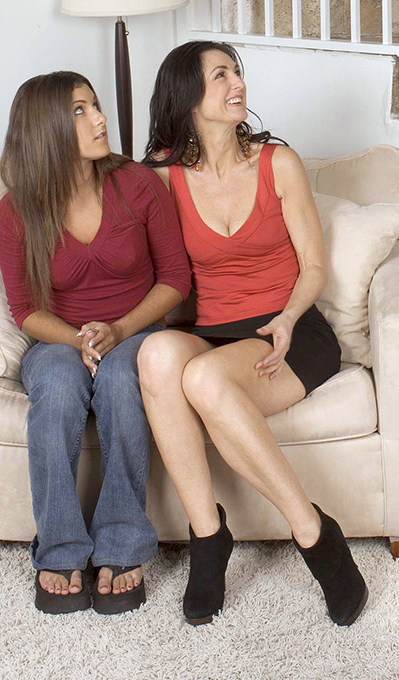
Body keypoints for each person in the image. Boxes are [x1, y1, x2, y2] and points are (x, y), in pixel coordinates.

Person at [137, 41, 368, 626]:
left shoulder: (277, 163)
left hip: (289, 329)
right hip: (214, 333)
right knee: (159, 355)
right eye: (220, 75)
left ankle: (314, 533)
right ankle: (208, 535)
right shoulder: (163, 179)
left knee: (205, 379)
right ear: (188, 96)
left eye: (236, 71)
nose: (237, 82)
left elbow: (314, 266)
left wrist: (288, 317)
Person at [0, 71, 192, 614]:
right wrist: (78, 342)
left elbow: (176, 278)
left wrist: (120, 331)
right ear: (46, 128)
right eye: (80, 110)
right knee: (58, 386)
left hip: (136, 331)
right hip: (58, 341)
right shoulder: (16, 210)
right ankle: (59, 550)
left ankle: (122, 544)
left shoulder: (137, 184)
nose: (101, 118)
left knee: (124, 379)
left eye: (96, 105)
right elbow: (25, 310)